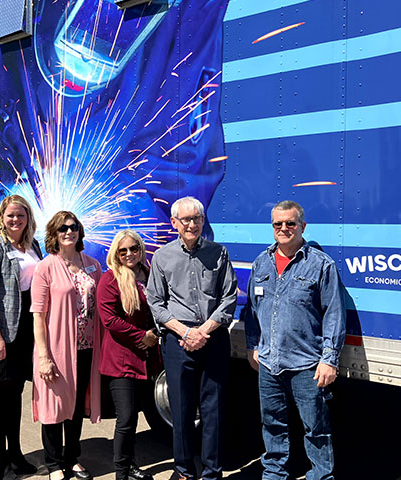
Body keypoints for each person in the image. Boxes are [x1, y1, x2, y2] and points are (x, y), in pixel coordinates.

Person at [244, 200, 346, 480]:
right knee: (272, 425)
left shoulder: (320, 265)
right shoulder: (262, 262)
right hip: (268, 363)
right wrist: (253, 345)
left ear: (303, 226)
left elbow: (334, 315)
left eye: (290, 223)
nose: (284, 228)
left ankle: (321, 476)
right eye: (278, 224)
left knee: (315, 428)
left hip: (306, 364)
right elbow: (252, 310)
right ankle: (274, 475)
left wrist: (329, 359)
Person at [146, 196, 238, 480]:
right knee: (182, 411)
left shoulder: (218, 253)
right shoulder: (162, 257)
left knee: (213, 411)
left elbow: (229, 297)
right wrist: (186, 332)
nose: (192, 224)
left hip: (212, 339)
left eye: (197, 218)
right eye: (185, 219)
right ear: (174, 223)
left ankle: (212, 472)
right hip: (178, 341)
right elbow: (156, 303)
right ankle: (184, 470)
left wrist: (204, 330)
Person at [30, 211, 103, 480]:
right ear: (54, 234)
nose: (68, 232)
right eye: (62, 228)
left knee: (74, 408)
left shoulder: (92, 264)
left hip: (86, 349)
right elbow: (38, 314)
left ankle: (72, 458)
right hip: (56, 350)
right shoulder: (45, 267)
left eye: (73, 227)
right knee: (54, 406)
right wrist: (44, 357)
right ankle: (53, 464)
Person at [0, 195, 42, 479]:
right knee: (0, 392)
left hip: (26, 328)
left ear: (28, 218)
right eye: (10, 215)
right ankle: (1, 458)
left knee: (16, 393)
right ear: (1, 217)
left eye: (21, 215)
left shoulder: (32, 245)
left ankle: (15, 453)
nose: (15, 220)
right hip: (3, 331)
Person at [97, 230, 160, 480]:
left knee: (135, 417)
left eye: (133, 248)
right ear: (116, 253)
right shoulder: (110, 279)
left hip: (146, 359)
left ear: (140, 249)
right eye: (123, 250)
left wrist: (154, 333)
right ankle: (121, 473)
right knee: (125, 419)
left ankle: (131, 466)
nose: (129, 254)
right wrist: (141, 336)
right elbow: (109, 319)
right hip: (121, 359)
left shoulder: (148, 275)